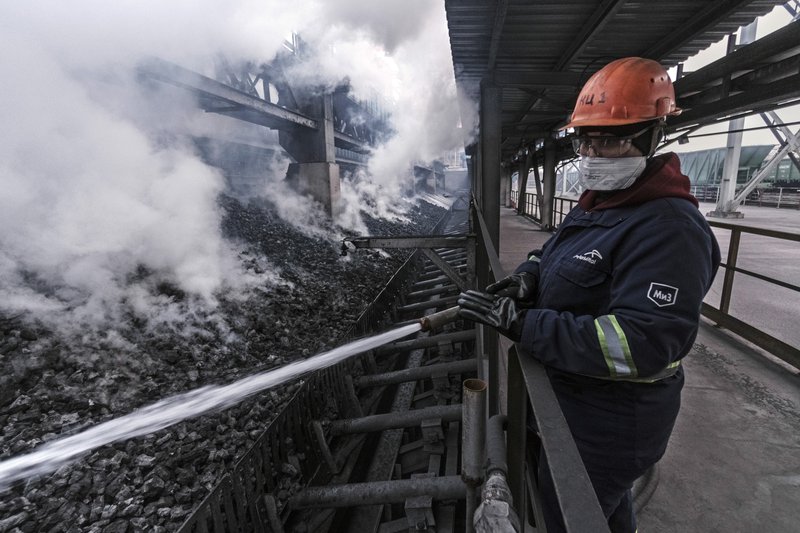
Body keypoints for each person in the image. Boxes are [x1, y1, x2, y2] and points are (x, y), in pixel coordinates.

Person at [458, 57, 721, 533]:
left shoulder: (670, 230)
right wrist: (528, 278)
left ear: (652, 134)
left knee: (572, 514)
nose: (593, 152)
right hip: (572, 398)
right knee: (604, 509)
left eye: (611, 139)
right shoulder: (603, 204)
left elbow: (640, 343)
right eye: (586, 139)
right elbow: (556, 250)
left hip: (612, 422)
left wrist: (524, 324)